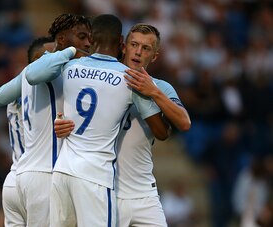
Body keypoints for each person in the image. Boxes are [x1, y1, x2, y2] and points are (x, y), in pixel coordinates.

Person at [54, 23, 191, 227]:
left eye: (146, 48)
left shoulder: (161, 87)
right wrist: (58, 123)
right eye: (134, 44)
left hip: (144, 192)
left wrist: (153, 92)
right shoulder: (99, 78)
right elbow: (70, 110)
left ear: (154, 56)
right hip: (107, 189)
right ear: (124, 47)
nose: (138, 51)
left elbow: (184, 122)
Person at [0, 13, 91, 227]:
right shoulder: (44, 70)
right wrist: (71, 51)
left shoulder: (28, 73)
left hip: (17, 175)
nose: (88, 43)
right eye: (82, 37)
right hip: (44, 175)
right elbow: (37, 74)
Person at [1, 36, 52, 227]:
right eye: (49, 55)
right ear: (37, 59)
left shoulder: (15, 87)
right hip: (38, 179)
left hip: (14, 179)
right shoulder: (46, 91)